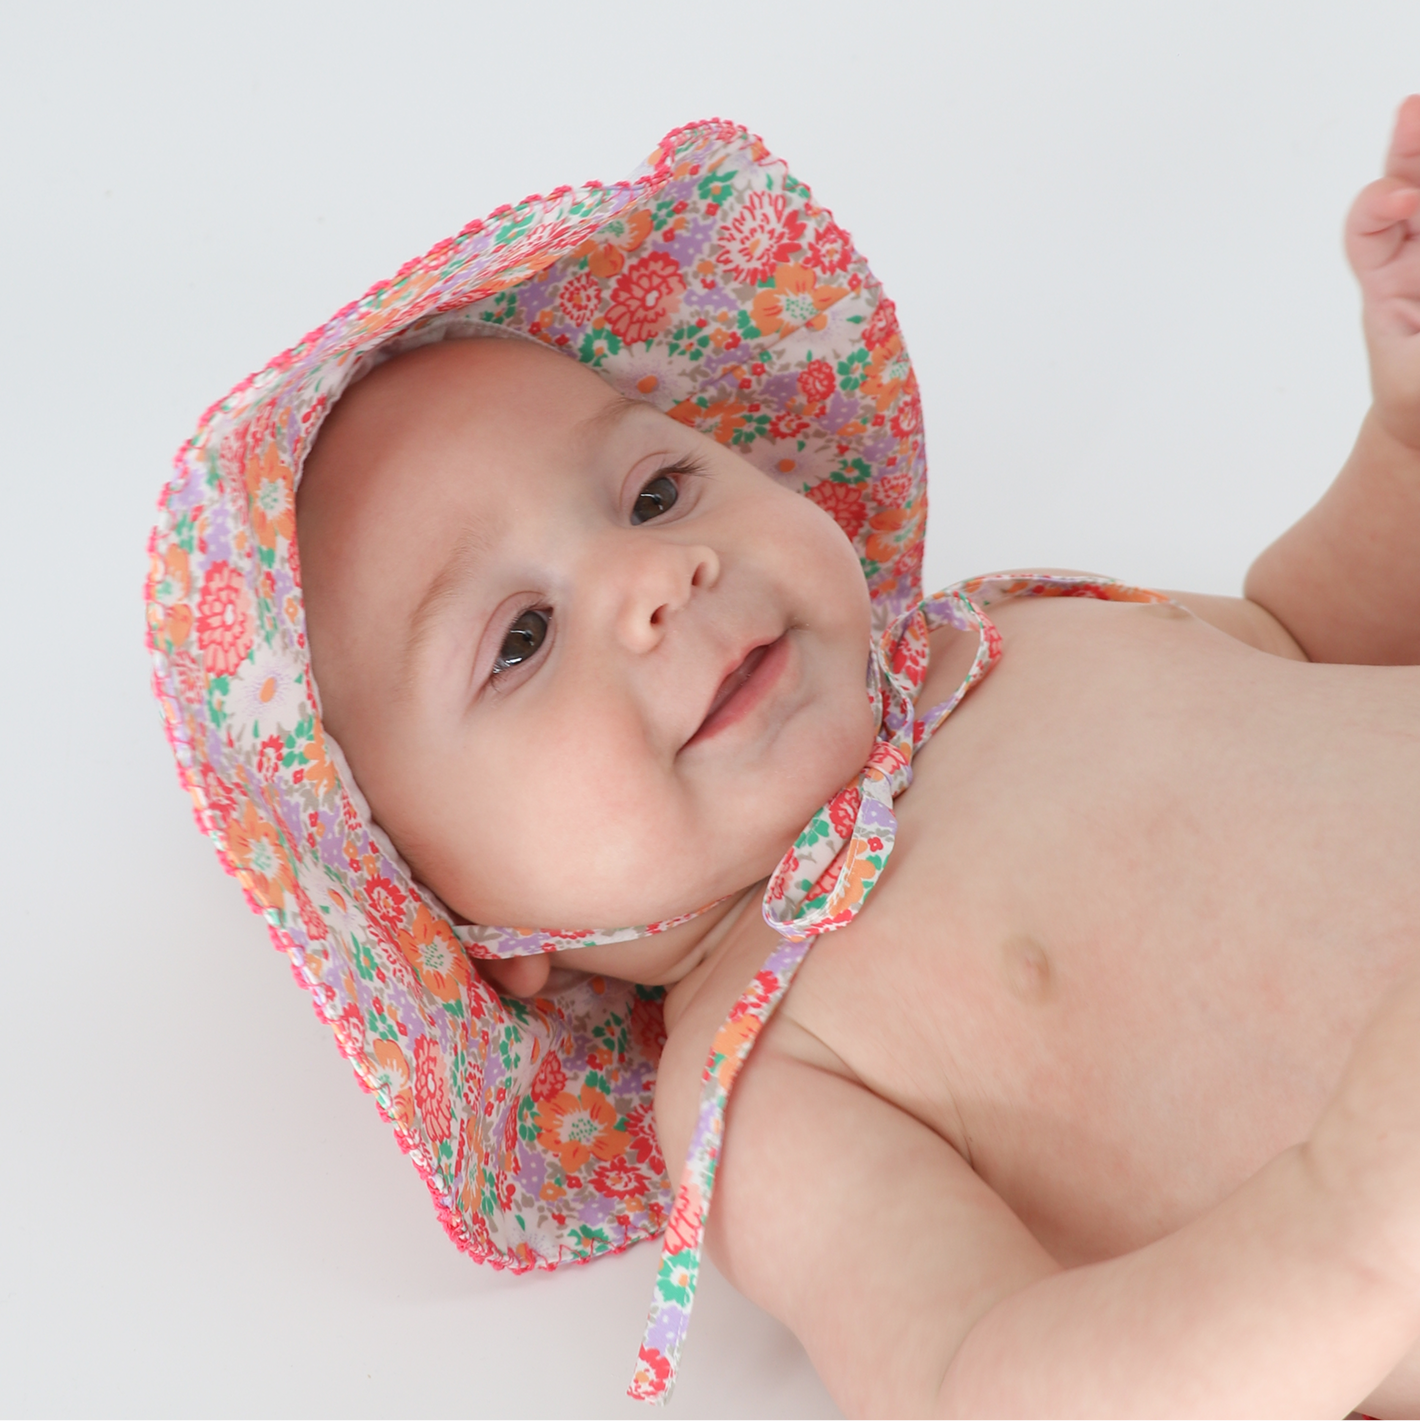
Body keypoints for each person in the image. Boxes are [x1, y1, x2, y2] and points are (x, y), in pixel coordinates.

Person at [150, 104, 1420, 1419]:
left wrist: (1402, 444)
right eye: (519, 639)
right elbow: (972, 1375)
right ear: (462, 928)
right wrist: (1358, 1221)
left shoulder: (1008, 635)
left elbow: (1302, 641)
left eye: (656, 490)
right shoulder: (769, 1073)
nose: (656, 574)